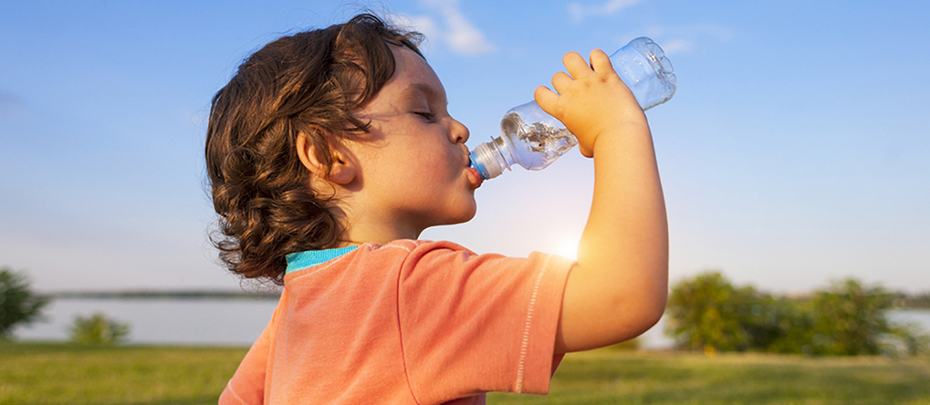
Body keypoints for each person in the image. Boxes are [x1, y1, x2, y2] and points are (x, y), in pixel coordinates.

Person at [206, 13, 668, 405]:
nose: (461, 129)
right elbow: (621, 296)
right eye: (425, 113)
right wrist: (617, 128)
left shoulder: (300, 303)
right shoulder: (406, 291)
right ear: (330, 158)